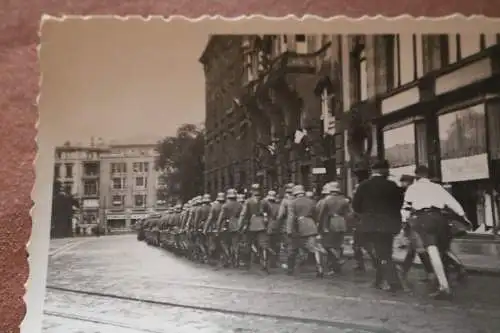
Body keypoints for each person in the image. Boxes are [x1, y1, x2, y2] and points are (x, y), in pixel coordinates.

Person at [402, 165, 470, 299]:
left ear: (416, 175)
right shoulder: (438, 187)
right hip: (440, 218)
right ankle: (456, 270)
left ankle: (444, 287)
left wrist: (404, 221)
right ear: (427, 175)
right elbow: (452, 203)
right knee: (443, 249)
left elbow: (406, 207)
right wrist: (464, 216)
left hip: (423, 219)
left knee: (433, 252)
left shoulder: (413, 188)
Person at [352, 159, 404, 292]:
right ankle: (381, 280)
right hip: (389, 224)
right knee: (385, 252)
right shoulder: (392, 185)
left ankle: (392, 282)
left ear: (373, 171)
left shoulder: (363, 185)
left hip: (371, 224)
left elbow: (356, 206)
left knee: (381, 253)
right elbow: (399, 204)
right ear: (384, 170)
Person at [287, 184, 325, 277]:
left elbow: (291, 217)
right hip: (311, 225)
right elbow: (317, 215)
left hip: (298, 226)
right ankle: (319, 267)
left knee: (293, 248)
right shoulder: (311, 201)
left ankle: (290, 269)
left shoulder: (292, 202)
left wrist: (289, 230)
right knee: (313, 248)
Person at [317, 182, 350, 275]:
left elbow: (322, 214)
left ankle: (338, 259)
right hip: (341, 222)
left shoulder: (327, 200)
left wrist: (320, 224)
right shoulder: (344, 200)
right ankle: (336, 266)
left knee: (328, 244)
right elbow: (349, 213)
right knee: (338, 244)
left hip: (331, 222)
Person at [238, 184, 270, 272]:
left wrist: (240, 226)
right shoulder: (264, 201)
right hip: (262, 224)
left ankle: (247, 263)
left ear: (251, 191)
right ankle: (265, 263)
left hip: (251, 225)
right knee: (264, 245)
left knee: (248, 243)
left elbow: (243, 214)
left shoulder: (248, 201)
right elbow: (269, 212)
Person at [216, 189, 243, 268]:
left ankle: (228, 257)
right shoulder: (240, 205)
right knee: (235, 244)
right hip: (237, 225)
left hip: (226, 226)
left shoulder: (225, 205)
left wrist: (218, 228)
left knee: (224, 243)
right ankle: (236, 260)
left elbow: (220, 218)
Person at [204, 193, 225, 266]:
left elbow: (210, 218)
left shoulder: (214, 206)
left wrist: (205, 229)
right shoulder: (225, 205)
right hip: (226, 225)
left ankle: (214, 258)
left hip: (215, 226)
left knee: (213, 242)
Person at [263, 190, 282, 268]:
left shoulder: (265, 205)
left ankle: (266, 260)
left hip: (268, 226)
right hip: (277, 226)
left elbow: (264, 217)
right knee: (276, 244)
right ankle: (274, 262)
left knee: (267, 244)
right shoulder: (278, 206)